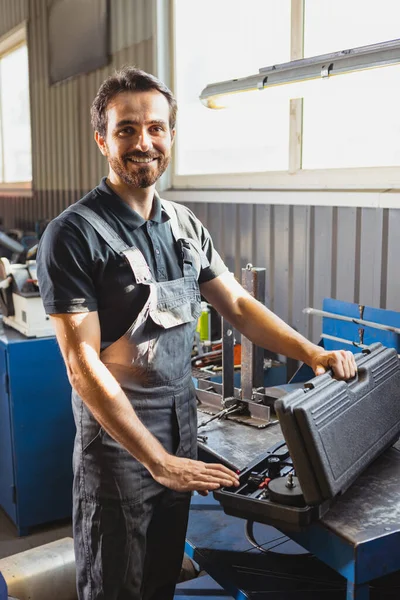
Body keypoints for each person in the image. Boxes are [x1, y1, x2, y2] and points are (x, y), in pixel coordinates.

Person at [37, 66, 357, 600]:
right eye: (126, 129)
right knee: (115, 585)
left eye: (156, 128)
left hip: (181, 424)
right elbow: (82, 364)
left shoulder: (185, 226)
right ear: (101, 138)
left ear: (170, 136)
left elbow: (236, 304)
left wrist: (313, 353)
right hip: (118, 445)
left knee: (161, 576)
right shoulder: (72, 235)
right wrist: (154, 459)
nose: (144, 142)